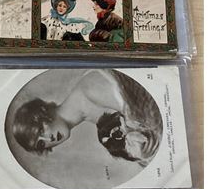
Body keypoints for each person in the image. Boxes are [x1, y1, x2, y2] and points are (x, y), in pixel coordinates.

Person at [11, 69, 161, 167]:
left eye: (40, 131)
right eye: (41, 144)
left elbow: (155, 113)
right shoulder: (100, 127)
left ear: (42, 113)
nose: (49, 139)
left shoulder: (90, 89)